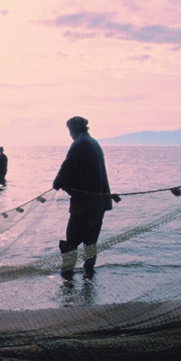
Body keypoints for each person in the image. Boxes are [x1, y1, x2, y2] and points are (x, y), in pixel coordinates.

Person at [52, 116, 112, 278]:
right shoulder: (93, 142)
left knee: (72, 240)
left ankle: (67, 279)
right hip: (99, 203)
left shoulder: (79, 144)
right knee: (90, 242)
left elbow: (67, 167)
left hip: (85, 204)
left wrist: (57, 183)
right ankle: (89, 279)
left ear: (72, 129)